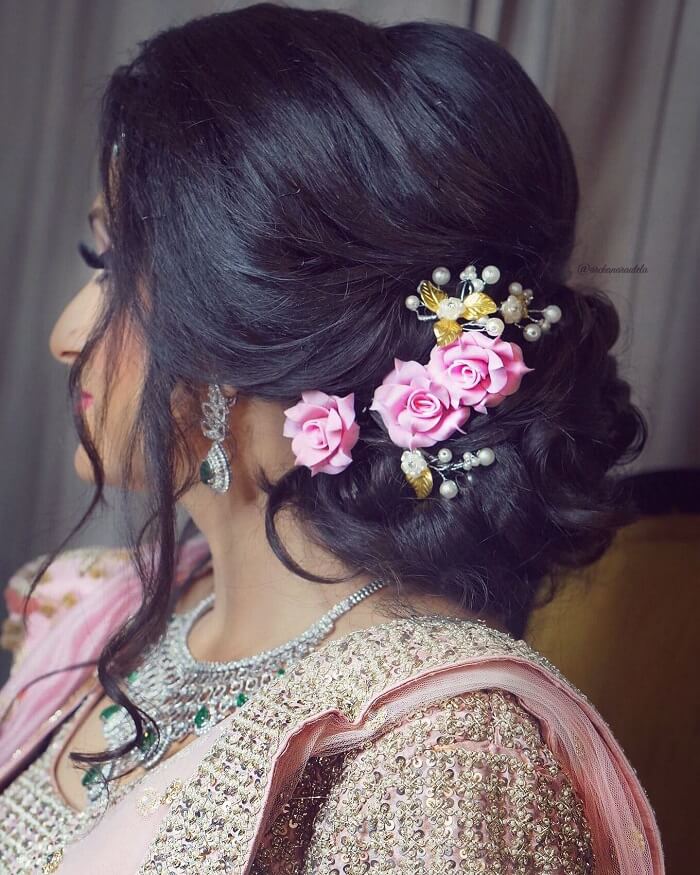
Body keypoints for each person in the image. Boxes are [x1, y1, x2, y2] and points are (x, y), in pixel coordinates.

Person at [0, 4, 664, 873]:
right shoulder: (88, 614)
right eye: (98, 264)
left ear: (258, 323)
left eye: (118, 271)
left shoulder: (443, 758)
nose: (66, 332)